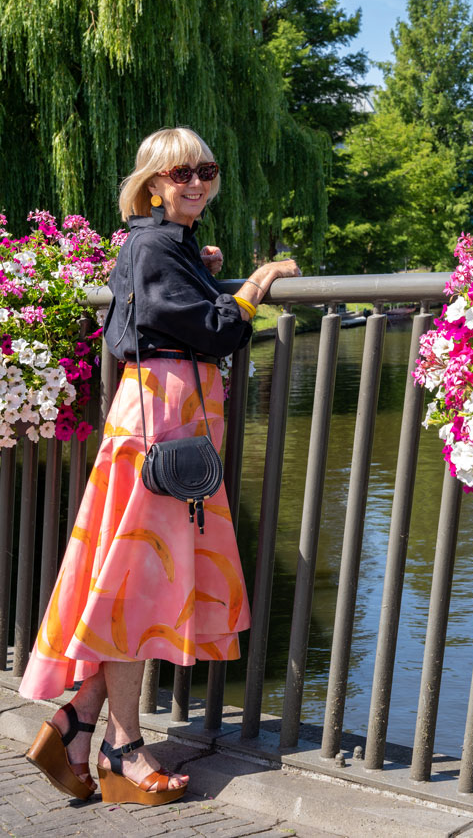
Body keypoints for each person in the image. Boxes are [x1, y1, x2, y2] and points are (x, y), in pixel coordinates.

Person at [20, 127, 300, 806]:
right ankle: (122, 744)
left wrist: (200, 264)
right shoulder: (151, 245)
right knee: (135, 584)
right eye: (179, 174)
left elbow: (165, 303)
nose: (195, 182)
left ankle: (78, 725)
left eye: (204, 169)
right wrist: (254, 283)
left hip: (162, 417)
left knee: (133, 578)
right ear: (151, 182)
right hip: (162, 423)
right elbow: (213, 329)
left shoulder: (157, 245)